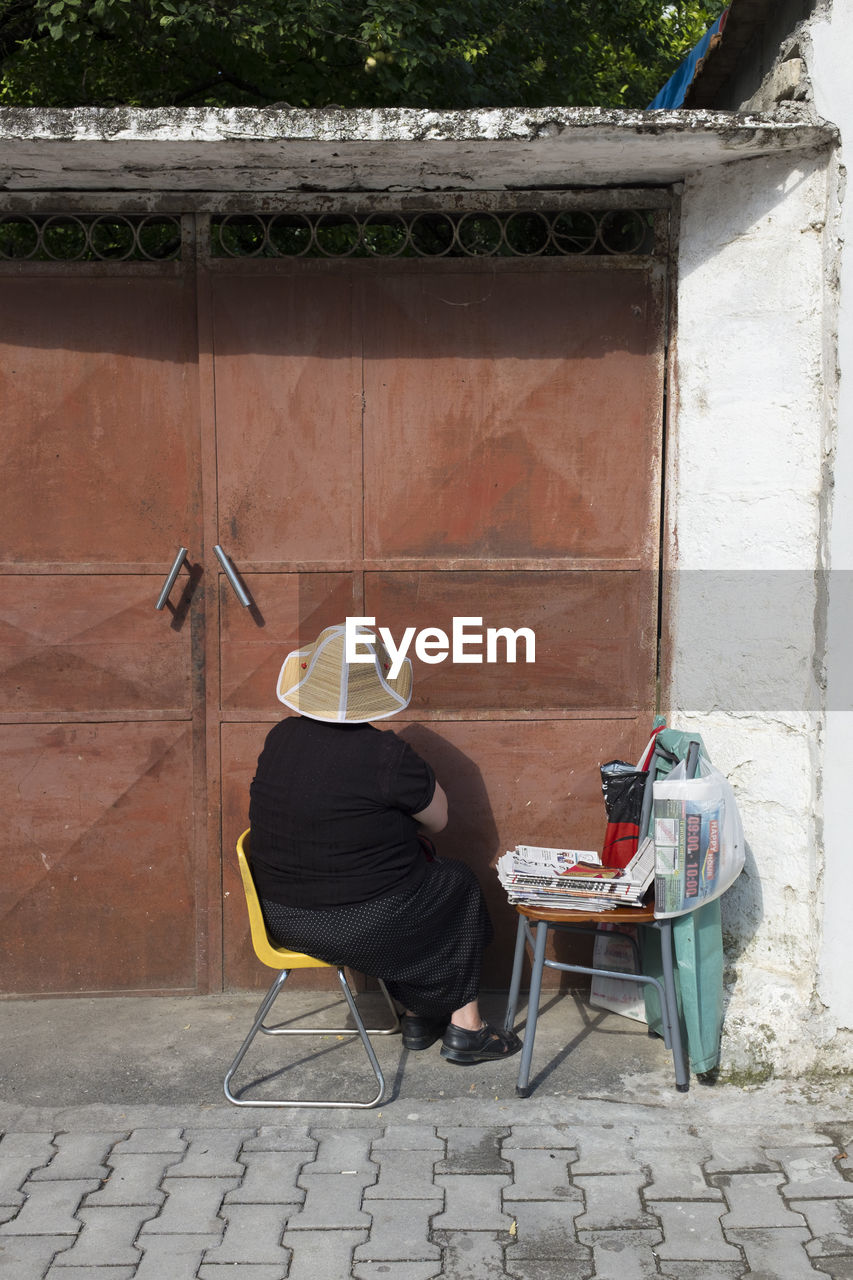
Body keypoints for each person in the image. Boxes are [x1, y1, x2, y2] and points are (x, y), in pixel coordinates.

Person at [248, 622, 521, 1065]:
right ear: (375, 689)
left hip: (282, 918)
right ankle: (466, 1027)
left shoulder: (280, 738)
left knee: (406, 893)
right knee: (456, 884)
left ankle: (417, 1017)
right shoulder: (387, 755)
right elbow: (439, 820)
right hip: (363, 927)